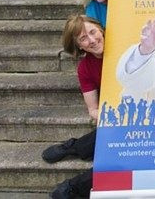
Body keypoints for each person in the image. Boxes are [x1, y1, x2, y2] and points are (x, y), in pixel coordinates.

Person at [45, 15, 105, 198]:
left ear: (101, 29)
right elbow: (93, 109)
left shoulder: (125, 49)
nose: (92, 40)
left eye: (93, 32)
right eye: (83, 38)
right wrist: (110, 118)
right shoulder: (85, 68)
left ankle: (74, 186)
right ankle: (74, 148)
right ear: (79, 46)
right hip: (116, 115)